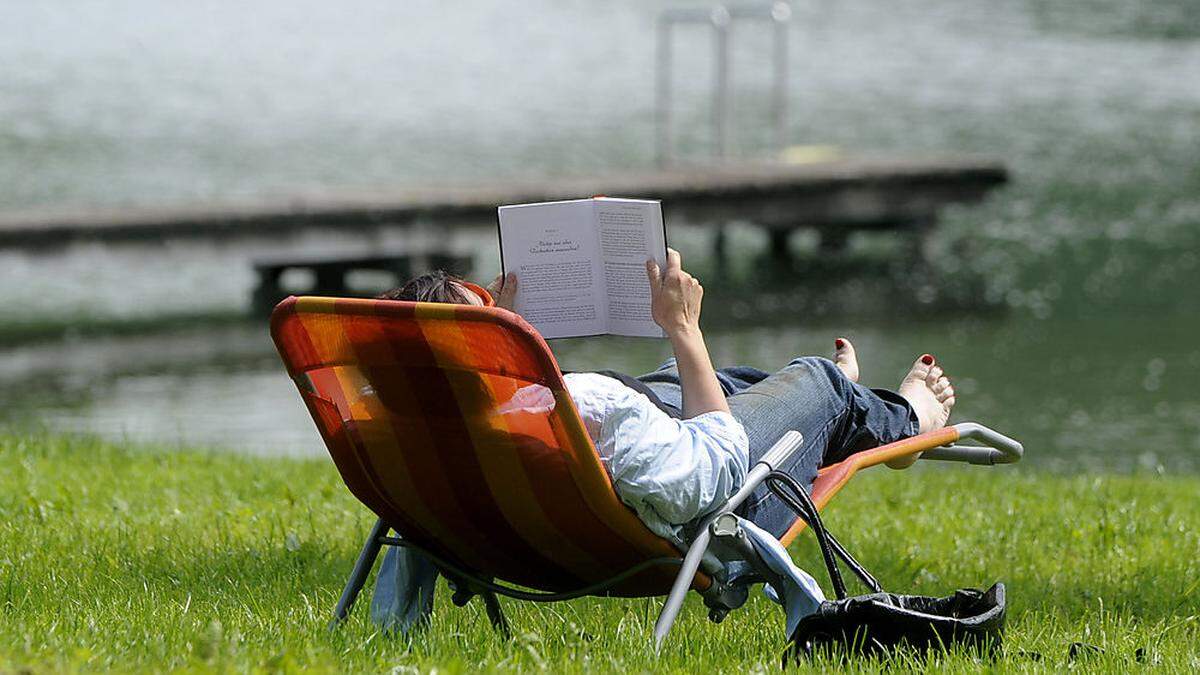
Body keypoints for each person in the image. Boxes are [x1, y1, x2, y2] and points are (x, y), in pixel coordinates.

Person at [369, 250, 955, 633]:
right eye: (487, 309)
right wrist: (682, 328)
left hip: (541, 513)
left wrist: (509, 344)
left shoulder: (405, 429)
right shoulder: (588, 406)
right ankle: (902, 414)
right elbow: (717, 474)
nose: (497, 304)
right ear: (486, 354)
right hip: (701, 493)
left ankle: (849, 411)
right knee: (813, 379)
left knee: (700, 380)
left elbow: (481, 398)